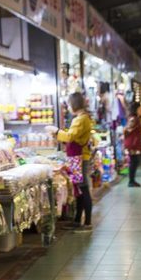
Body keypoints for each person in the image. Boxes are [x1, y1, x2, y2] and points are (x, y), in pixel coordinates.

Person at [49, 93, 94, 230]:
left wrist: (56, 131)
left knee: (83, 188)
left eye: (68, 104)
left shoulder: (80, 119)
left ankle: (87, 223)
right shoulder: (83, 118)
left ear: (74, 104)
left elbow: (70, 137)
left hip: (79, 158)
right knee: (79, 189)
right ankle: (77, 220)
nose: (67, 107)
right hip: (78, 157)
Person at [123, 102, 141, 187]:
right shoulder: (133, 119)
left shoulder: (136, 118)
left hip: (134, 142)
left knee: (135, 161)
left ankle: (132, 180)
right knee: (134, 161)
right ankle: (131, 181)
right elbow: (127, 129)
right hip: (133, 143)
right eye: (139, 108)